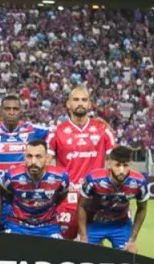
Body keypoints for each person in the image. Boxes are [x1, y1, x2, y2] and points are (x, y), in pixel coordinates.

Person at [46, 86, 117, 239]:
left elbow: (116, 164)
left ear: (89, 104)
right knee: (65, 247)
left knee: (94, 248)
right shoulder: (56, 132)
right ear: (68, 104)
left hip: (95, 198)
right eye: (76, 99)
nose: (80, 103)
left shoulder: (102, 130)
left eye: (84, 100)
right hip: (67, 199)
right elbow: (44, 164)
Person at [0, 94, 50, 227]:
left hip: (18, 195)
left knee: (14, 238)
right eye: (7, 109)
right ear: (1, 111)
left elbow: (54, 133)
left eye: (15, 109)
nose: (11, 112)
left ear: (20, 111)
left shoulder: (31, 130)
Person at [77, 145, 149, 252]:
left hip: (121, 225)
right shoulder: (93, 179)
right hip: (94, 224)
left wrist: (132, 240)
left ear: (131, 164)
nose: (121, 170)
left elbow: (142, 209)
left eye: (125, 165)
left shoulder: (139, 182)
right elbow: (81, 206)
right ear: (109, 163)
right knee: (83, 253)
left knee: (129, 255)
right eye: (117, 165)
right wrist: (83, 236)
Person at [0, 140, 70, 238]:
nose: (33, 162)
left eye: (38, 156)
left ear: (47, 158)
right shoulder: (11, 176)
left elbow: (60, 197)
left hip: (48, 226)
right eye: (29, 156)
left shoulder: (61, 177)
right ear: (24, 157)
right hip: (17, 226)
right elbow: (7, 196)